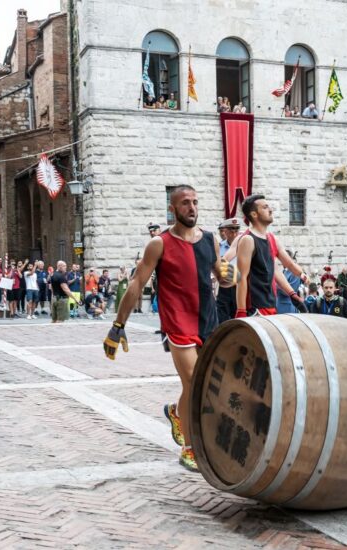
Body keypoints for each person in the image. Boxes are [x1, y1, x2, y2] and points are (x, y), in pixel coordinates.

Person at [103, 184, 234, 472]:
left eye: (195, 202)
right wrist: (117, 326)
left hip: (208, 321)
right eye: (185, 202)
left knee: (202, 383)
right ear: (172, 208)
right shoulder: (159, 244)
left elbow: (222, 278)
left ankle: (177, 412)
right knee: (196, 382)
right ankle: (190, 447)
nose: (192, 207)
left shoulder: (210, 239)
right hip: (178, 323)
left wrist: (229, 275)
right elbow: (137, 283)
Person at [233, 194, 308, 317]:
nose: (270, 210)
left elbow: (285, 266)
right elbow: (241, 278)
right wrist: (241, 311)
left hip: (271, 304)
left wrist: (293, 291)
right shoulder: (248, 240)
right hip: (254, 308)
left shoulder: (272, 239)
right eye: (265, 207)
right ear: (254, 214)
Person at [216, 218, 240, 322]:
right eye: (231, 230)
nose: (234, 233)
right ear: (225, 231)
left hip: (239, 286)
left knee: (238, 317)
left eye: (236, 230)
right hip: (224, 286)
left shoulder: (244, 246)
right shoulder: (218, 247)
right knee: (222, 317)